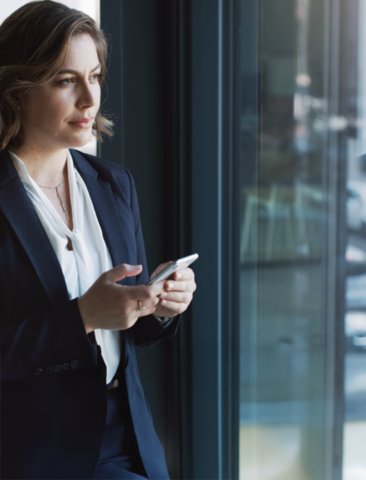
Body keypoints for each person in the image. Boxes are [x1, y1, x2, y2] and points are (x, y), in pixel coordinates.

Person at [0, 2, 197, 479]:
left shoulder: (112, 183)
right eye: (67, 81)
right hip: (34, 448)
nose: (91, 99)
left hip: (128, 436)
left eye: (96, 75)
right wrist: (83, 317)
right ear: (17, 91)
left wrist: (162, 305)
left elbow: (132, 332)